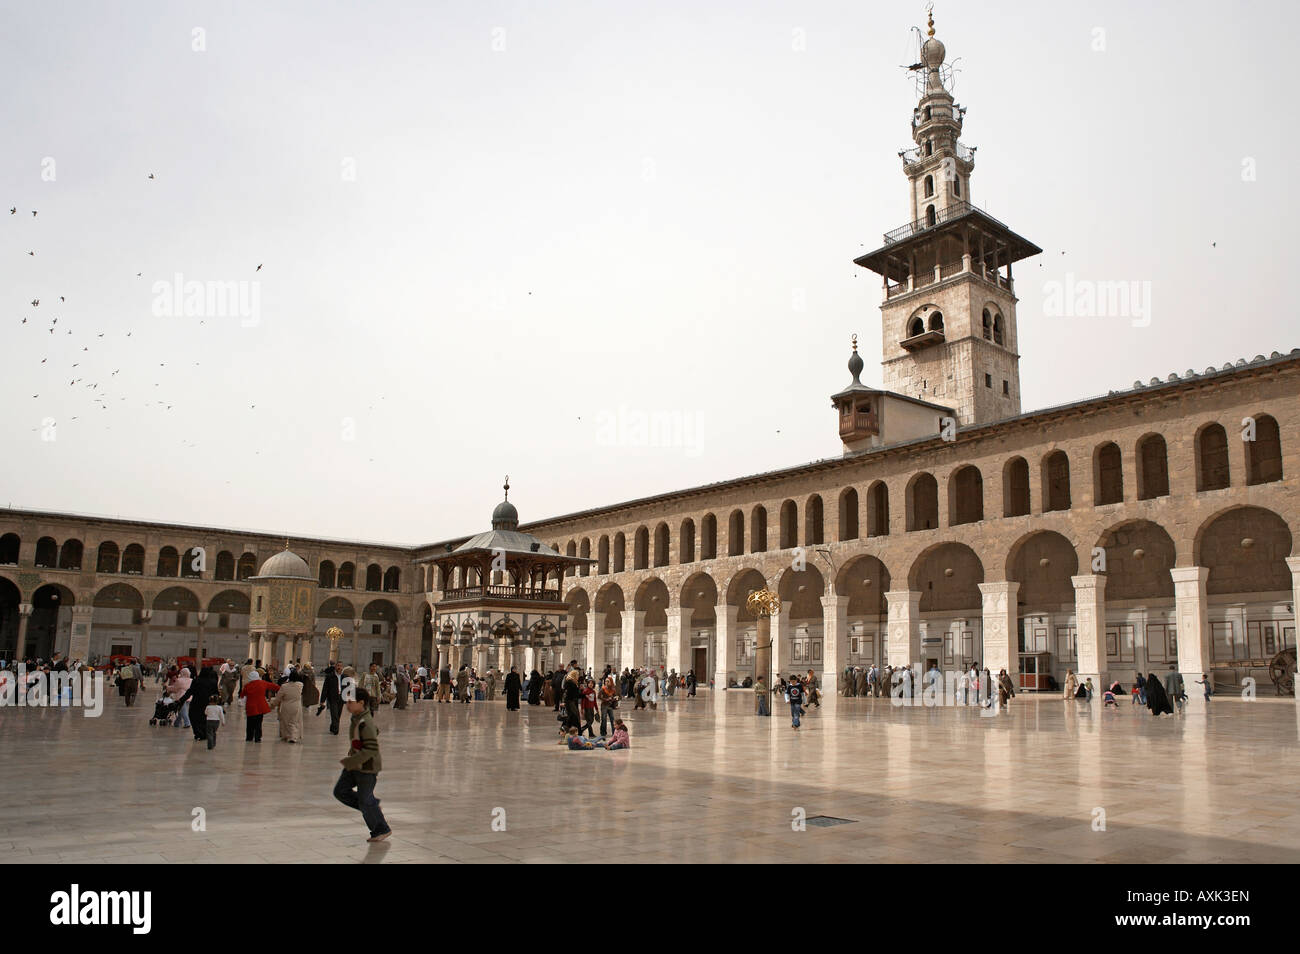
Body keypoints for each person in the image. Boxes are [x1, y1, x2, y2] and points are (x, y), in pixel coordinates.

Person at [333, 688, 391, 843]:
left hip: (367, 767)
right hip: (355, 763)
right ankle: (372, 807)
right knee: (340, 791)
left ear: (361, 703)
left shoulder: (365, 722)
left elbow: (372, 748)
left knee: (365, 800)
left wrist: (352, 760)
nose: (347, 705)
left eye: (350, 702)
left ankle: (381, 828)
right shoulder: (357, 718)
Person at [240, 671, 280, 742]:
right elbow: (275, 687)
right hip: (260, 706)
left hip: (250, 707)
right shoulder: (263, 683)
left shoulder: (247, 685)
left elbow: (242, 695)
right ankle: (257, 738)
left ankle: (249, 737)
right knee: (258, 722)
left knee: (250, 723)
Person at [273, 671, 305, 743]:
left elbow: (278, 697)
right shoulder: (300, 685)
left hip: (286, 706)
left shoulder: (284, 686)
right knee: (295, 721)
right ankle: (294, 736)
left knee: (286, 722)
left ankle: (287, 735)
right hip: (296, 706)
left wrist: (273, 705)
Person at [320, 662, 345, 735]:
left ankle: (332, 726)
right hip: (333, 698)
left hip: (341, 698)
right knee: (334, 714)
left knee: (338, 714)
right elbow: (325, 689)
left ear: (342, 667)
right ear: (335, 667)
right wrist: (322, 700)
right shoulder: (329, 676)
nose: (339, 667)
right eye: (337, 666)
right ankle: (336, 730)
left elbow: (348, 688)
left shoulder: (344, 677)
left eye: (340, 666)